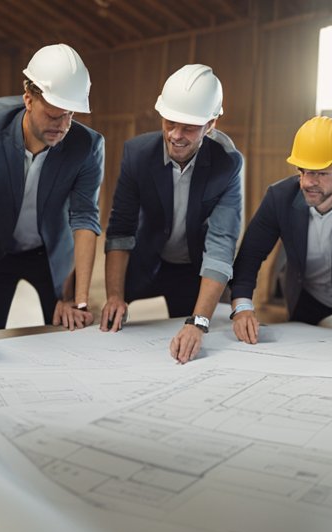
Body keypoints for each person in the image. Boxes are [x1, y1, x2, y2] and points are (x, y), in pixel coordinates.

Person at [0, 43, 104, 331]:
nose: (62, 125)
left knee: (64, 331)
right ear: (28, 99)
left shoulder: (87, 145)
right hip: (1, 247)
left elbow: (85, 218)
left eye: (70, 115)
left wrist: (79, 299)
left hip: (53, 254)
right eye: (53, 114)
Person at [101, 64, 245, 358]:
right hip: (145, 258)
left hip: (191, 268)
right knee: (110, 325)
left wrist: (199, 321)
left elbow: (221, 245)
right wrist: (114, 296)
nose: (176, 135)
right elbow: (121, 230)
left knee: (186, 342)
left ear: (212, 123)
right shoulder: (137, 154)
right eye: (169, 123)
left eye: (189, 127)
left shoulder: (227, 164)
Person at [227, 116, 332, 362]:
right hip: (303, 292)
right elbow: (250, 255)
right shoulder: (279, 197)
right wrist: (242, 308)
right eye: (303, 171)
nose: (307, 182)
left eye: (320, 173)